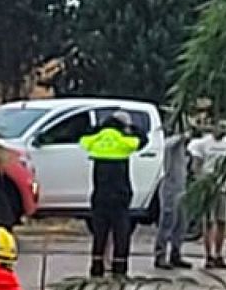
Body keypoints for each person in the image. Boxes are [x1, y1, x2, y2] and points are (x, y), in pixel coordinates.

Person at [80, 111, 145, 278]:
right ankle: (119, 267)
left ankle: (96, 266)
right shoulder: (124, 142)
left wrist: (98, 128)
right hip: (120, 195)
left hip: (100, 194)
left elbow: (84, 137)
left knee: (99, 234)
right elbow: (142, 140)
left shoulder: (96, 141)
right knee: (121, 234)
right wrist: (131, 129)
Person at [187, 121, 226, 270]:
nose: (223, 129)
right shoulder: (203, 144)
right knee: (209, 222)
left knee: (222, 221)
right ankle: (208, 255)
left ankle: (219, 254)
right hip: (208, 187)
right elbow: (196, 165)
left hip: (224, 187)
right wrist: (201, 182)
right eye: (220, 126)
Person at [154, 125, 193, 270]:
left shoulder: (184, 150)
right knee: (167, 222)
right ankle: (160, 254)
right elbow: (169, 144)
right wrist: (182, 136)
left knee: (181, 223)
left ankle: (176, 253)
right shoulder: (170, 145)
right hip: (170, 187)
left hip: (182, 188)